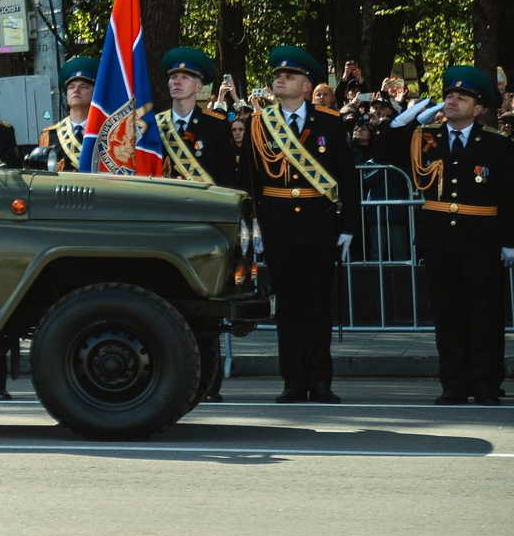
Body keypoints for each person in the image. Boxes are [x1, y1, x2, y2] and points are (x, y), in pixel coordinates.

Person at [372, 67, 510, 404]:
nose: (452, 100)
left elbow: (509, 195)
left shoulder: (495, 143)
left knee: (483, 314)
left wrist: (509, 240)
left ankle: (485, 383)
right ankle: (454, 384)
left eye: (461, 97)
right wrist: (401, 121)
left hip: (481, 239)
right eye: (449, 95)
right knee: (448, 316)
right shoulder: (426, 137)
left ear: (479, 109)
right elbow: (385, 151)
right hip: (439, 240)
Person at [244, 45, 360, 404]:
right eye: (278, 75)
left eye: (289, 76)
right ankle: (292, 381)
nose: (280, 79)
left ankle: (321, 381)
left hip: (318, 225)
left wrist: (348, 227)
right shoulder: (259, 123)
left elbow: (346, 177)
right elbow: (247, 181)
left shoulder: (328, 121)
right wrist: (254, 230)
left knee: (317, 306)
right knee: (289, 307)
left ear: (307, 85)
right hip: (277, 227)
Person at [155, 48, 240, 187]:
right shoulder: (155, 124)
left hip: (203, 206)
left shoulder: (216, 125)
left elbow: (227, 178)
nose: (177, 82)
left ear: (198, 87)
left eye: (184, 77)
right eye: (173, 77)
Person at [39, 56, 97, 169]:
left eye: (84, 87)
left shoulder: (107, 133)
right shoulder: (50, 135)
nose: (76, 90)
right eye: (71, 87)